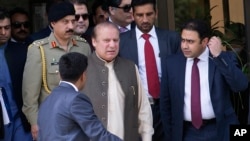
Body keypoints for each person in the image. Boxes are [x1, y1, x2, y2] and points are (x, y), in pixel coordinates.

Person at [160, 19, 249, 141]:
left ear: (204, 41)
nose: (184, 46)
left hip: (221, 130)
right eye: (183, 40)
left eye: (190, 41)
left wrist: (218, 56)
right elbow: (165, 104)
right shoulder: (171, 63)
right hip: (187, 132)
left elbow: (240, 85)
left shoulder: (223, 59)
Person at [22, 2, 91, 140]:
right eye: (65, 22)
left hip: (81, 120)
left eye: (73, 21)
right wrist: (35, 123)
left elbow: (89, 84)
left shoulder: (83, 46)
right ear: (53, 23)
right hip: (52, 122)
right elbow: (30, 95)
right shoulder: (39, 50)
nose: (71, 26)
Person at [119, 0, 181, 140]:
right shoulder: (121, 42)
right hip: (138, 107)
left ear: (156, 13)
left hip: (167, 106)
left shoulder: (171, 38)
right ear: (133, 15)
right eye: (140, 15)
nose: (145, 19)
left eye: (149, 14)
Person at [82, 21, 153, 141]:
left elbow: (143, 108)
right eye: (106, 40)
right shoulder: (82, 68)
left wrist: (147, 137)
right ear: (94, 42)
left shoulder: (130, 67)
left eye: (115, 40)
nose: (112, 45)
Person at [38, 52, 122, 141]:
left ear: (59, 74)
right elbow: (98, 134)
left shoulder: (47, 99)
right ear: (83, 75)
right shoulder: (76, 100)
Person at [0, 7, 32, 141]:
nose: (3, 32)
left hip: (20, 117)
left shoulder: (22, 51)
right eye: (0, 28)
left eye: (7, 28)